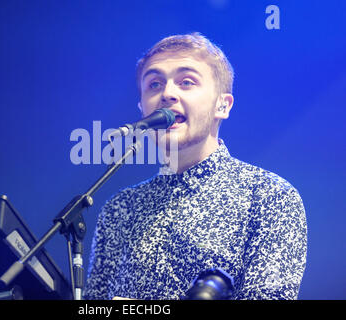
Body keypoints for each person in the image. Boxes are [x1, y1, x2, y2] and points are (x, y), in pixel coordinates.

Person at [83, 33, 307, 300]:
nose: (167, 93)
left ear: (222, 105)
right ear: (142, 107)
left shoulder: (270, 197)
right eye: (154, 84)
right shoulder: (119, 209)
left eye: (186, 82)